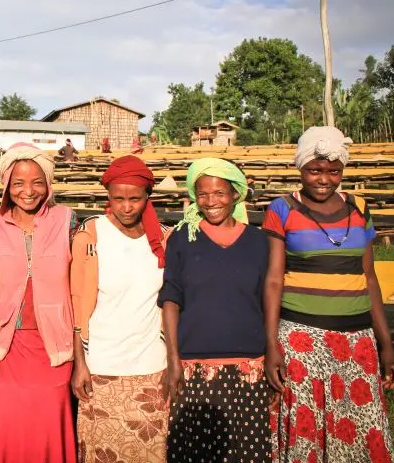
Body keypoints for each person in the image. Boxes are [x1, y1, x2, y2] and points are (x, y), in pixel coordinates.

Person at [263, 127, 394, 462]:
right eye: (315, 170)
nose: (324, 179)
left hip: (357, 341)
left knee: (360, 428)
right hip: (301, 338)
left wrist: (386, 342)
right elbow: (274, 280)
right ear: (300, 169)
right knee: (308, 430)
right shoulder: (282, 209)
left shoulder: (359, 208)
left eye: (333, 171)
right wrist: (271, 344)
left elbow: (370, 278)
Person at [159, 158, 271, 462]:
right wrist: (173, 361)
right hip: (195, 368)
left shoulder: (259, 242)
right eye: (203, 194)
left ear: (235, 193)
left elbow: (267, 299)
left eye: (219, 193)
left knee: (247, 453)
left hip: (249, 367)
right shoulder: (183, 239)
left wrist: (273, 353)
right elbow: (171, 298)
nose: (211, 202)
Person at [0, 143, 77, 463]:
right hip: (6, 348)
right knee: (11, 429)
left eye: (37, 182)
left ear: (48, 185)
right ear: (7, 185)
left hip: (54, 347)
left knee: (49, 426)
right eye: (19, 183)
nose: (28, 191)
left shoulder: (67, 221)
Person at [71, 155, 169, 462]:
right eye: (118, 199)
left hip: (152, 369)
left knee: (150, 453)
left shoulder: (164, 238)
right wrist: (80, 364)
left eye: (135, 199)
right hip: (101, 369)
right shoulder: (91, 235)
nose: (126, 207)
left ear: (147, 197)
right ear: (108, 197)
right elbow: (77, 302)